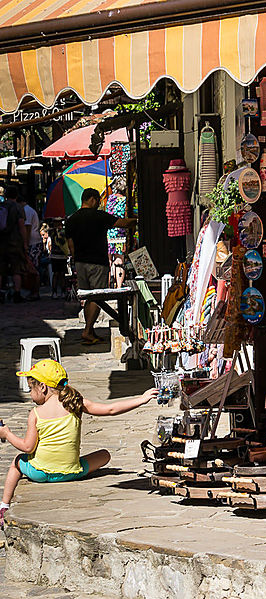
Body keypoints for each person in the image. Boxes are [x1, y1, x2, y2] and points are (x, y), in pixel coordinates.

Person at [0, 359, 157, 527]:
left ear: (43, 387)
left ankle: (4, 505)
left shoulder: (36, 413)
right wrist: (141, 399)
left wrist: (7, 433)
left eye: (31, 388)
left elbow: (27, 447)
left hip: (40, 473)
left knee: (17, 462)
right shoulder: (74, 403)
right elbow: (110, 409)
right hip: (71, 472)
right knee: (105, 455)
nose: (30, 394)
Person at [65, 188, 136, 344]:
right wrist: (137, 219)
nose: (98, 204)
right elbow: (122, 223)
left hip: (81, 263)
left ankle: (89, 330)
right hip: (97, 262)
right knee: (97, 298)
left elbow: (71, 246)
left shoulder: (71, 219)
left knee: (87, 297)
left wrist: (77, 261)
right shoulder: (98, 216)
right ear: (92, 199)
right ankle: (88, 330)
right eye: (97, 200)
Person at [0, 185, 28, 303]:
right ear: (16, 195)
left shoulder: (1, 206)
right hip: (15, 242)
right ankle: (17, 293)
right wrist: (25, 242)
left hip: (1, 242)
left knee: (0, 269)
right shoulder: (18, 207)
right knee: (17, 269)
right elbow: (22, 225)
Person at [17, 191, 41, 300]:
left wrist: (25, 244)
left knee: (32, 268)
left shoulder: (26, 211)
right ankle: (34, 291)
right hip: (34, 241)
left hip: (32, 242)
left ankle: (35, 291)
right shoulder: (29, 210)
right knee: (32, 267)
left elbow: (27, 228)